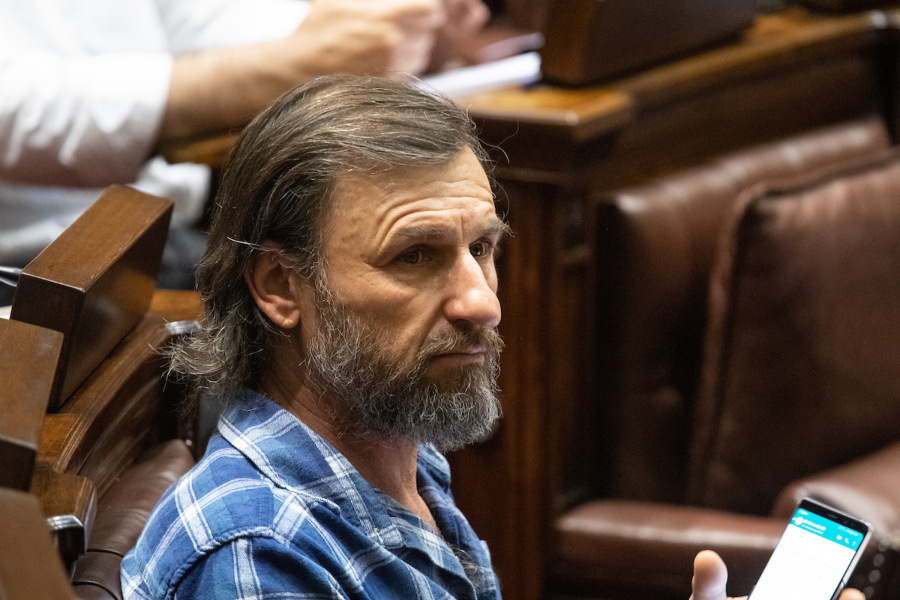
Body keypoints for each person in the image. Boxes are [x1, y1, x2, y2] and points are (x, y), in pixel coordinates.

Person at [119, 74, 852, 600]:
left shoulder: (402, 456)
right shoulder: (260, 558)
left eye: (484, 248)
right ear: (281, 287)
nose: (481, 302)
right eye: (415, 256)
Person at [0, 0, 489, 301]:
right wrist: (289, 63)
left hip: (166, 236)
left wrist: (396, 32)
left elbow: (217, 20)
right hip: (28, 269)